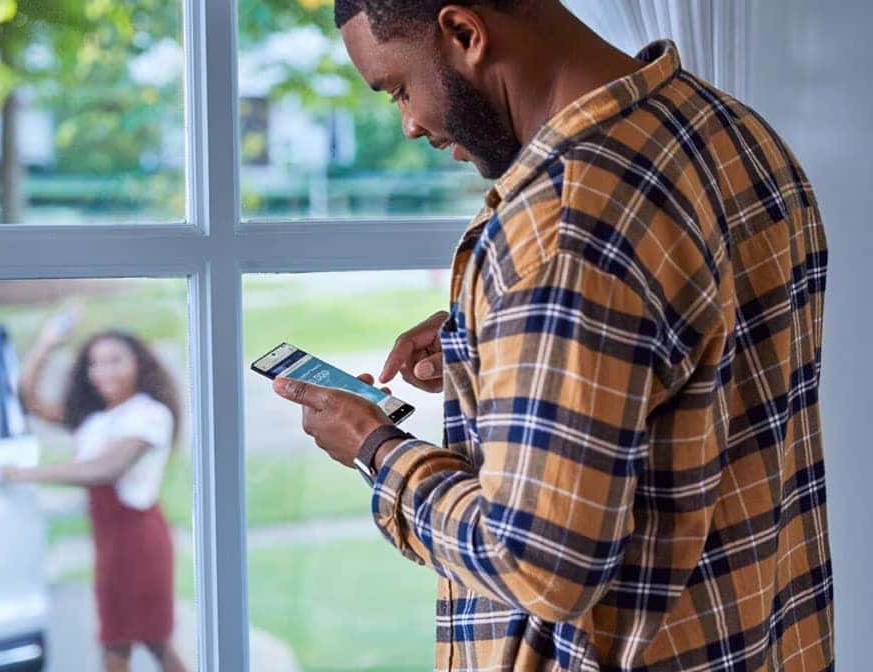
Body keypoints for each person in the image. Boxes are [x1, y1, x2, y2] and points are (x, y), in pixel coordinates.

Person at [272, 1, 833, 670]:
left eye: (399, 87)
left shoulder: (559, 226)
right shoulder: (732, 132)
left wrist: (375, 448)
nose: (410, 123)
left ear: (464, 33)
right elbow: (695, 375)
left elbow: (540, 563)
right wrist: (493, 346)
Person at [0, 313, 188, 672]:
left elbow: (104, 469)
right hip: (111, 544)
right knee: (140, 643)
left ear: (139, 363)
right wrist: (47, 342)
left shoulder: (150, 415)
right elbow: (30, 401)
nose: (104, 371)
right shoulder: (98, 418)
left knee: (132, 644)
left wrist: (26, 474)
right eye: (95, 363)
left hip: (138, 542)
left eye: (115, 361)